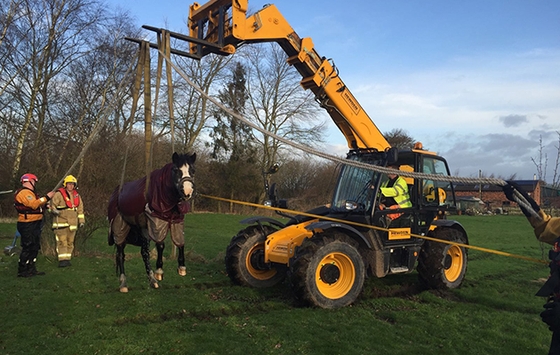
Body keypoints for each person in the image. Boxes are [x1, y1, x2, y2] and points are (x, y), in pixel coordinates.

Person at [14, 173, 55, 277]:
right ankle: (22, 270)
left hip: (35, 223)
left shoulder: (31, 193)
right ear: (29, 181)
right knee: (27, 246)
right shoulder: (24, 193)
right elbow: (33, 204)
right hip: (27, 224)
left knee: (35, 247)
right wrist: (47, 197)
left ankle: (31, 268)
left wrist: (45, 205)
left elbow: (37, 204)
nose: (34, 184)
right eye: (33, 181)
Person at [49, 175, 85, 267]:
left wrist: (81, 221)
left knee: (70, 243)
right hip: (60, 223)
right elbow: (51, 206)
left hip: (72, 225)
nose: (71, 186)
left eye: (72, 184)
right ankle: (62, 260)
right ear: (65, 185)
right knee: (62, 242)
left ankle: (67, 260)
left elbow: (80, 210)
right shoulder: (59, 194)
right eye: (69, 184)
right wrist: (54, 210)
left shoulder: (77, 196)